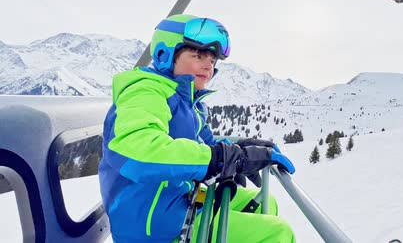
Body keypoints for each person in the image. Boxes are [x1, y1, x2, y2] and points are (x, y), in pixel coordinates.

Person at [98, 14, 296, 243]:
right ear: (165, 54)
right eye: (198, 55)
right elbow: (139, 151)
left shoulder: (188, 101)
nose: (207, 65)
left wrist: (239, 151)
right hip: (151, 223)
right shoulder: (146, 92)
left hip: (178, 201)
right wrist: (219, 159)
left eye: (212, 60)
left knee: (264, 202)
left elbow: (207, 144)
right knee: (278, 232)